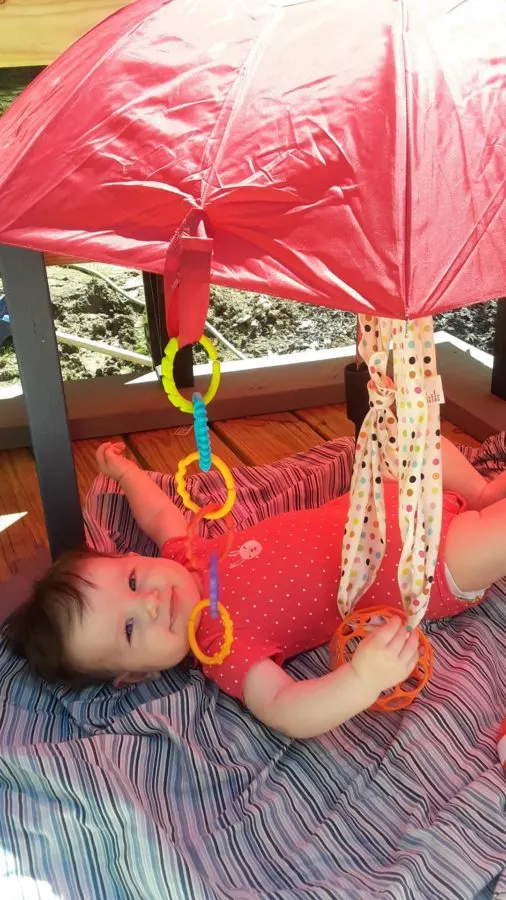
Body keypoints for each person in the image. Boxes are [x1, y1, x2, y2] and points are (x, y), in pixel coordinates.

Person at [4, 437, 506, 739]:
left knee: (408, 438)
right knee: (493, 534)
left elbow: (159, 514)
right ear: (135, 676)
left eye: (133, 581)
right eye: (131, 628)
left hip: (390, 498)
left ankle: (481, 489)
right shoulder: (223, 649)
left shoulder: (187, 554)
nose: (152, 602)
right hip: (422, 569)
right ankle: (484, 503)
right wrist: (361, 680)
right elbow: (286, 709)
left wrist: (127, 472)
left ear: (134, 557)